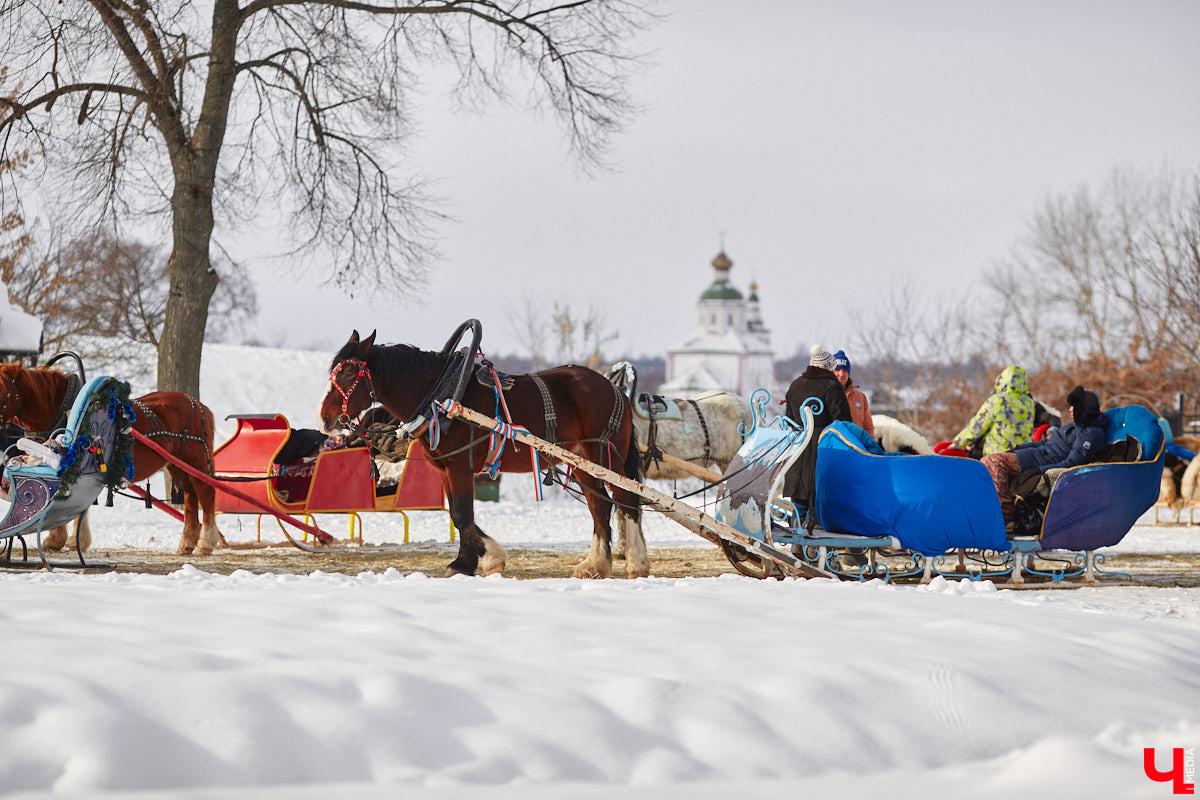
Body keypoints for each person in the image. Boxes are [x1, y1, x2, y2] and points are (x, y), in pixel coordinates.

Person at [980, 385, 1108, 523]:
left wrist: (1038, 471)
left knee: (992, 462)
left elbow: (1072, 463)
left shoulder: (1091, 433)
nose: (1070, 409)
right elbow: (1045, 443)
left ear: (1084, 408)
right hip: (1038, 454)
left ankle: (1005, 516)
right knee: (985, 463)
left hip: (1043, 460)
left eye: (1074, 406)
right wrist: (1017, 448)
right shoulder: (1076, 426)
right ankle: (987, 510)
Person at [782, 344, 852, 530]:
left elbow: (789, 419)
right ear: (827, 367)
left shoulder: (795, 385)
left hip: (797, 450)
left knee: (800, 500)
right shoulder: (832, 386)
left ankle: (798, 535)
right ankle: (818, 544)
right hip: (823, 450)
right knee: (821, 499)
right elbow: (843, 422)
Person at [949, 365, 1036, 457]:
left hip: (997, 456)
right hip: (1022, 456)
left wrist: (954, 445)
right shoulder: (1029, 402)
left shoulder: (997, 401)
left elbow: (976, 428)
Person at [832, 349, 873, 439]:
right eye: (837, 370)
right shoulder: (825, 395)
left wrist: (871, 446)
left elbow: (868, 427)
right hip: (834, 446)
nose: (841, 374)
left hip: (857, 446)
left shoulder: (860, 397)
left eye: (845, 370)